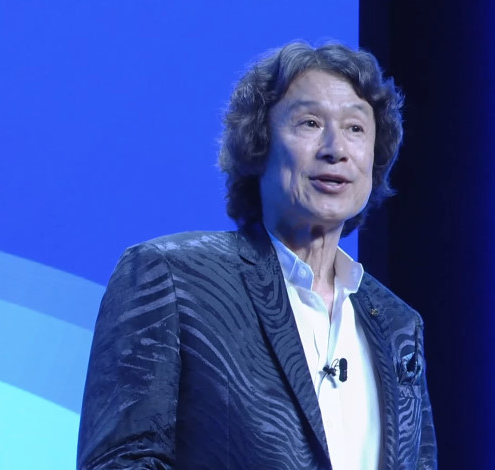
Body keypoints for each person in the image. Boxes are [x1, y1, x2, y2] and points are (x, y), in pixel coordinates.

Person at [77, 40, 437, 470]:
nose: (336, 148)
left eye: (356, 128)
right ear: (258, 145)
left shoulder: (399, 326)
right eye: (309, 123)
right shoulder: (173, 278)